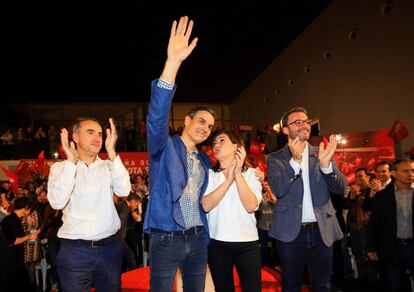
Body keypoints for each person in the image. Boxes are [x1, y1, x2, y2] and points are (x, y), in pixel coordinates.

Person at [143, 16, 215, 291]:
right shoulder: (163, 147)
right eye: (200, 121)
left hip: (197, 237)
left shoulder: (204, 160)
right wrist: (172, 63)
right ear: (186, 121)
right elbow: (156, 116)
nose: (205, 128)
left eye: (210, 126)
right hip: (166, 238)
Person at [267, 107, 347, 292]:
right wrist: (294, 161)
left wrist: (327, 167)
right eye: (297, 122)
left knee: (322, 285)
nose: (304, 125)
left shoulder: (321, 153)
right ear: (286, 130)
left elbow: (341, 188)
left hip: (322, 230)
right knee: (291, 284)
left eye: (306, 121)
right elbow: (279, 189)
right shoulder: (275, 159)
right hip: (289, 232)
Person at [47, 117, 131, 292]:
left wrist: (112, 153)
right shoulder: (60, 168)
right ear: (75, 137)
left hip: (110, 249)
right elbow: (56, 202)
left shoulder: (110, 165)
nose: (97, 138)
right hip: (75, 252)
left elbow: (124, 191)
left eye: (100, 134)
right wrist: (71, 162)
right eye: (90, 132)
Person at [201, 130, 262, 292]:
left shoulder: (252, 174)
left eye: (221, 140)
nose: (216, 145)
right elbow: (206, 205)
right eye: (214, 143)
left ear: (237, 146)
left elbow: (250, 206)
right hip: (217, 244)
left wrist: (237, 174)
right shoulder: (209, 175)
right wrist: (228, 180)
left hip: (247, 244)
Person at [366, 159, 414, 292]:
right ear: (394, 173)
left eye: (412, 171)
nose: (410, 174)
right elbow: (374, 223)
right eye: (406, 171)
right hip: (392, 247)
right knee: (396, 285)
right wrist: (370, 247)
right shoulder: (382, 196)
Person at [1, 196, 40, 291]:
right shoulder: (10, 220)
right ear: (26, 207)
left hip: (16, 258)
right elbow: (12, 241)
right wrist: (30, 236)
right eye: (29, 209)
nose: (30, 212)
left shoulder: (14, 219)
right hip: (12, 260)